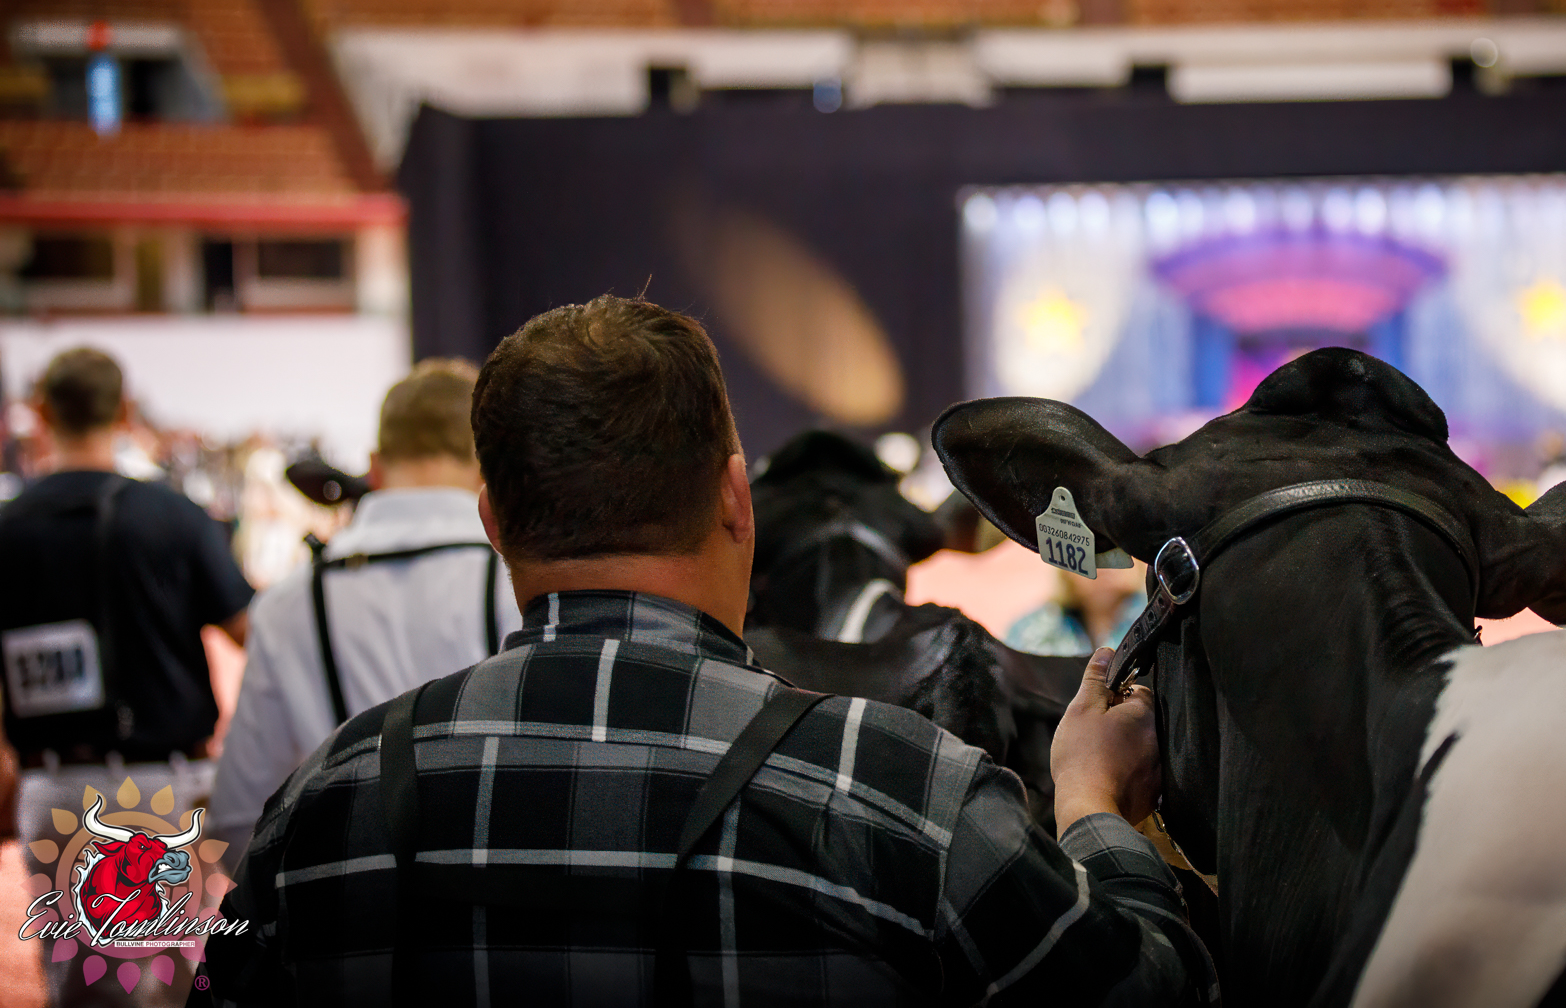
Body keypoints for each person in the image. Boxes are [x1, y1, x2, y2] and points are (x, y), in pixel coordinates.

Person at [204, 296, 1214, 1005]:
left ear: (494, 525)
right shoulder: (903, 792)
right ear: (736, 501)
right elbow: (1149, 992)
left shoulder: (329, 805)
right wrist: (1091, 803)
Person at [0, 347, 253, 1008]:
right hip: (169, 783)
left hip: (57, 785)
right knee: (178, 987)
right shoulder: (174, 515)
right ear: (124, 410)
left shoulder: (7, 528)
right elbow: (251, 635)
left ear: (41, 412)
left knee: (83, 991)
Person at [208, 359, 521, 864]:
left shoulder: (289, 604)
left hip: (337, 896)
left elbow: (238, 821)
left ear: (374, 465)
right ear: (488, 464)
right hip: (494, 890)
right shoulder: (517, 584)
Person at [1005, 563, 1146, 656]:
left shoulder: (1156, 620)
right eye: (1091, 555)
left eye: (1116, 553)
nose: (1104, 567)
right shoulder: (1029, 631)